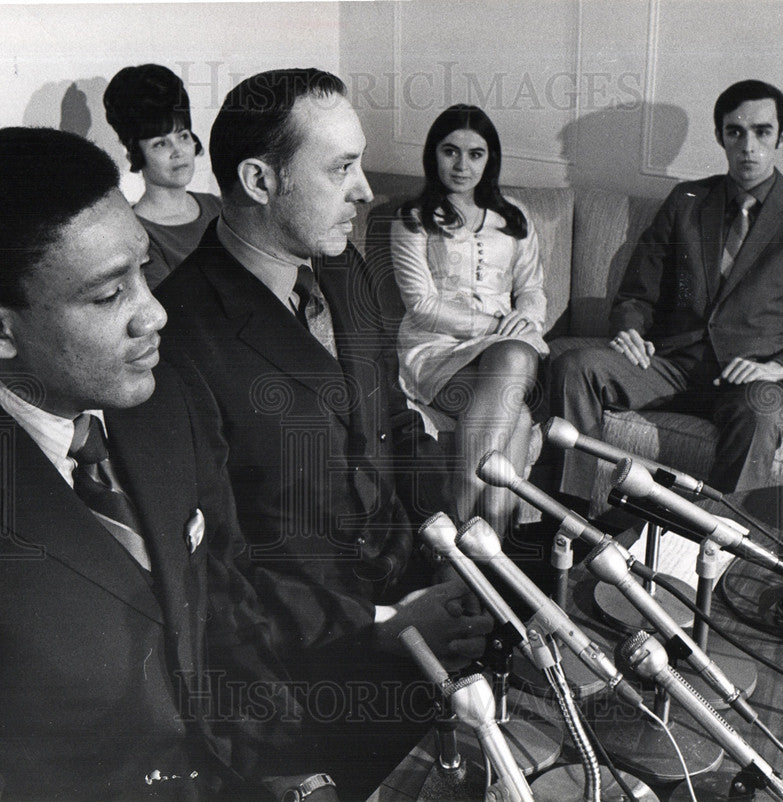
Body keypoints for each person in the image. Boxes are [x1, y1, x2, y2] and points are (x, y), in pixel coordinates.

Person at [0, 127, 333, 801]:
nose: (154, 313)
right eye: (109, 296)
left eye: (144, 272)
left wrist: (273, 762)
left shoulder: (165, 390)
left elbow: (226, 589)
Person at [156, 69, 492, 796]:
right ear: (258, 179)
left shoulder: (345, 271)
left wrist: (447, 550)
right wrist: (384, 624)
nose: (368, 189)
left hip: (419, 596)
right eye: (341, 167)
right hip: (315, 674)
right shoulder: (178, 335)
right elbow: (214, 571)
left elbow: (397, 429)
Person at [549, 80, 783, 497]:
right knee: (574, 366)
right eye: (735, 132)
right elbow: (637, 294)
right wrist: (629, 330)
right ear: (720, 136)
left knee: (762, 407)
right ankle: (574, 518)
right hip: (673, 367)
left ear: (781, 136)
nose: (748, 146)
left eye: (762, 131)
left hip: (752, 379)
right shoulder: (687, 200)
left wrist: (775, 369)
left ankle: (722, 549)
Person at [391, 104, 549, 536]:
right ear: (433, 155)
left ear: (489, 159)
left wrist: (526, 319)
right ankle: (483, 542)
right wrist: (495, 327)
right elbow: (421, 304)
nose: (462, 165)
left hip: (501, 351)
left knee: (515, 360)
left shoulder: (514, 217)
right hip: (435, 349)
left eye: (475, 154)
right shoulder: (413, 219)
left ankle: (464, 548)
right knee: (515, 415)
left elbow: (532, 289)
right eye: (450, 152)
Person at [104, 63, 221, 287]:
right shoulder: (137, 235)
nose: (178, 151)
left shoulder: (219, 207)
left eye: (183, 136)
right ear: (134, 153)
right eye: (160, 143)